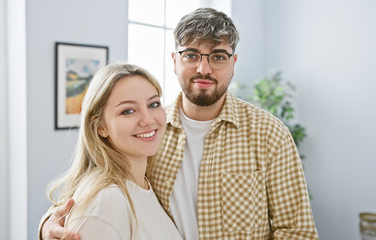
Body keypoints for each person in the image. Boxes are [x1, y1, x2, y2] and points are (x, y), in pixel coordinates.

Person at [40, 8, 318, 240]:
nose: (203, 69)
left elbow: (297, 232)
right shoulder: (150, 133)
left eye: (218, 56)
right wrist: (48, 224)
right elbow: (97, 190)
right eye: (192, 55)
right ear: (175, 61)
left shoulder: (269, 134)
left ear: (234, 63)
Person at [42, 63, 183, 240]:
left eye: (154, 104)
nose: (148, 120)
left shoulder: (142, 183)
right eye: (128, 111)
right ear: (100, 127)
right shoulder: (106, 201)